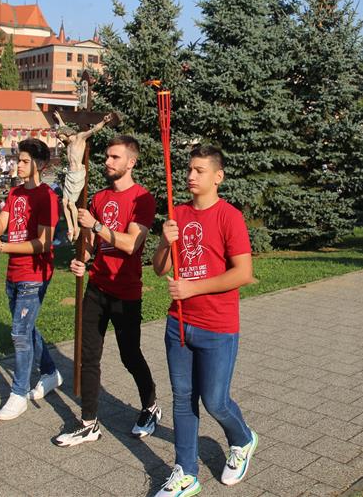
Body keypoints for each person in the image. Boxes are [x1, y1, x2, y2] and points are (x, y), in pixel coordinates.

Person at [153, 145, 257, 496]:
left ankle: (242, 439)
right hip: (179, 324)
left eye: (199, 170)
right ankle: (186, 472)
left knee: (215, 401)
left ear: (218, 176)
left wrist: (193, 288)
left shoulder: (229, 217)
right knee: (183, 399)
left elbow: (243, 273)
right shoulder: (178, 214)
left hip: (217, 326)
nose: (190, 176)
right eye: (189, 169)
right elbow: (160, 269)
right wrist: (164, 243)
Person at [54, 136, 161, 446]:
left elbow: (131, 244)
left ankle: (150, 406)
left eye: (115, 157)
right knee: (88, 356)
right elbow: (91, 246)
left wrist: (97, 225)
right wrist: (82, 260)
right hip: (97, 288)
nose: (108, 162)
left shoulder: (142, 198)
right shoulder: (99, 197)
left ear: (131, 162)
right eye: (107, 157)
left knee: (130, 355)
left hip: (125, 292)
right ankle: (88, 423)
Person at [0, 138, 62, 421]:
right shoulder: (15, 193)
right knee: (26, 328)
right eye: (17, 160)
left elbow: (44, 243)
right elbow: (0, 227)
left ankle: (18, 393)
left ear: (40, 164)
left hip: (35, 273)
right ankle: (50, 372)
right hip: (14, 271)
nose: (18, 165)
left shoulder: (47, 197)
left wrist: (4, 247)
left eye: (24, 161)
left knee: (19, 334)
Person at [52, 110, 113, 242]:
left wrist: (104, 121)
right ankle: (70, 227)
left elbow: (93, 130)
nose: (60, 139)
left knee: (71, 203)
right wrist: (59, 119)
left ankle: (76, 227)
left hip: (78, 174)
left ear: (67, 134)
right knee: (64, 202)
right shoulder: (68, 143)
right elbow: (63, 127)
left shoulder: (80, 138)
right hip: (70, 174)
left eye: (61, 137)